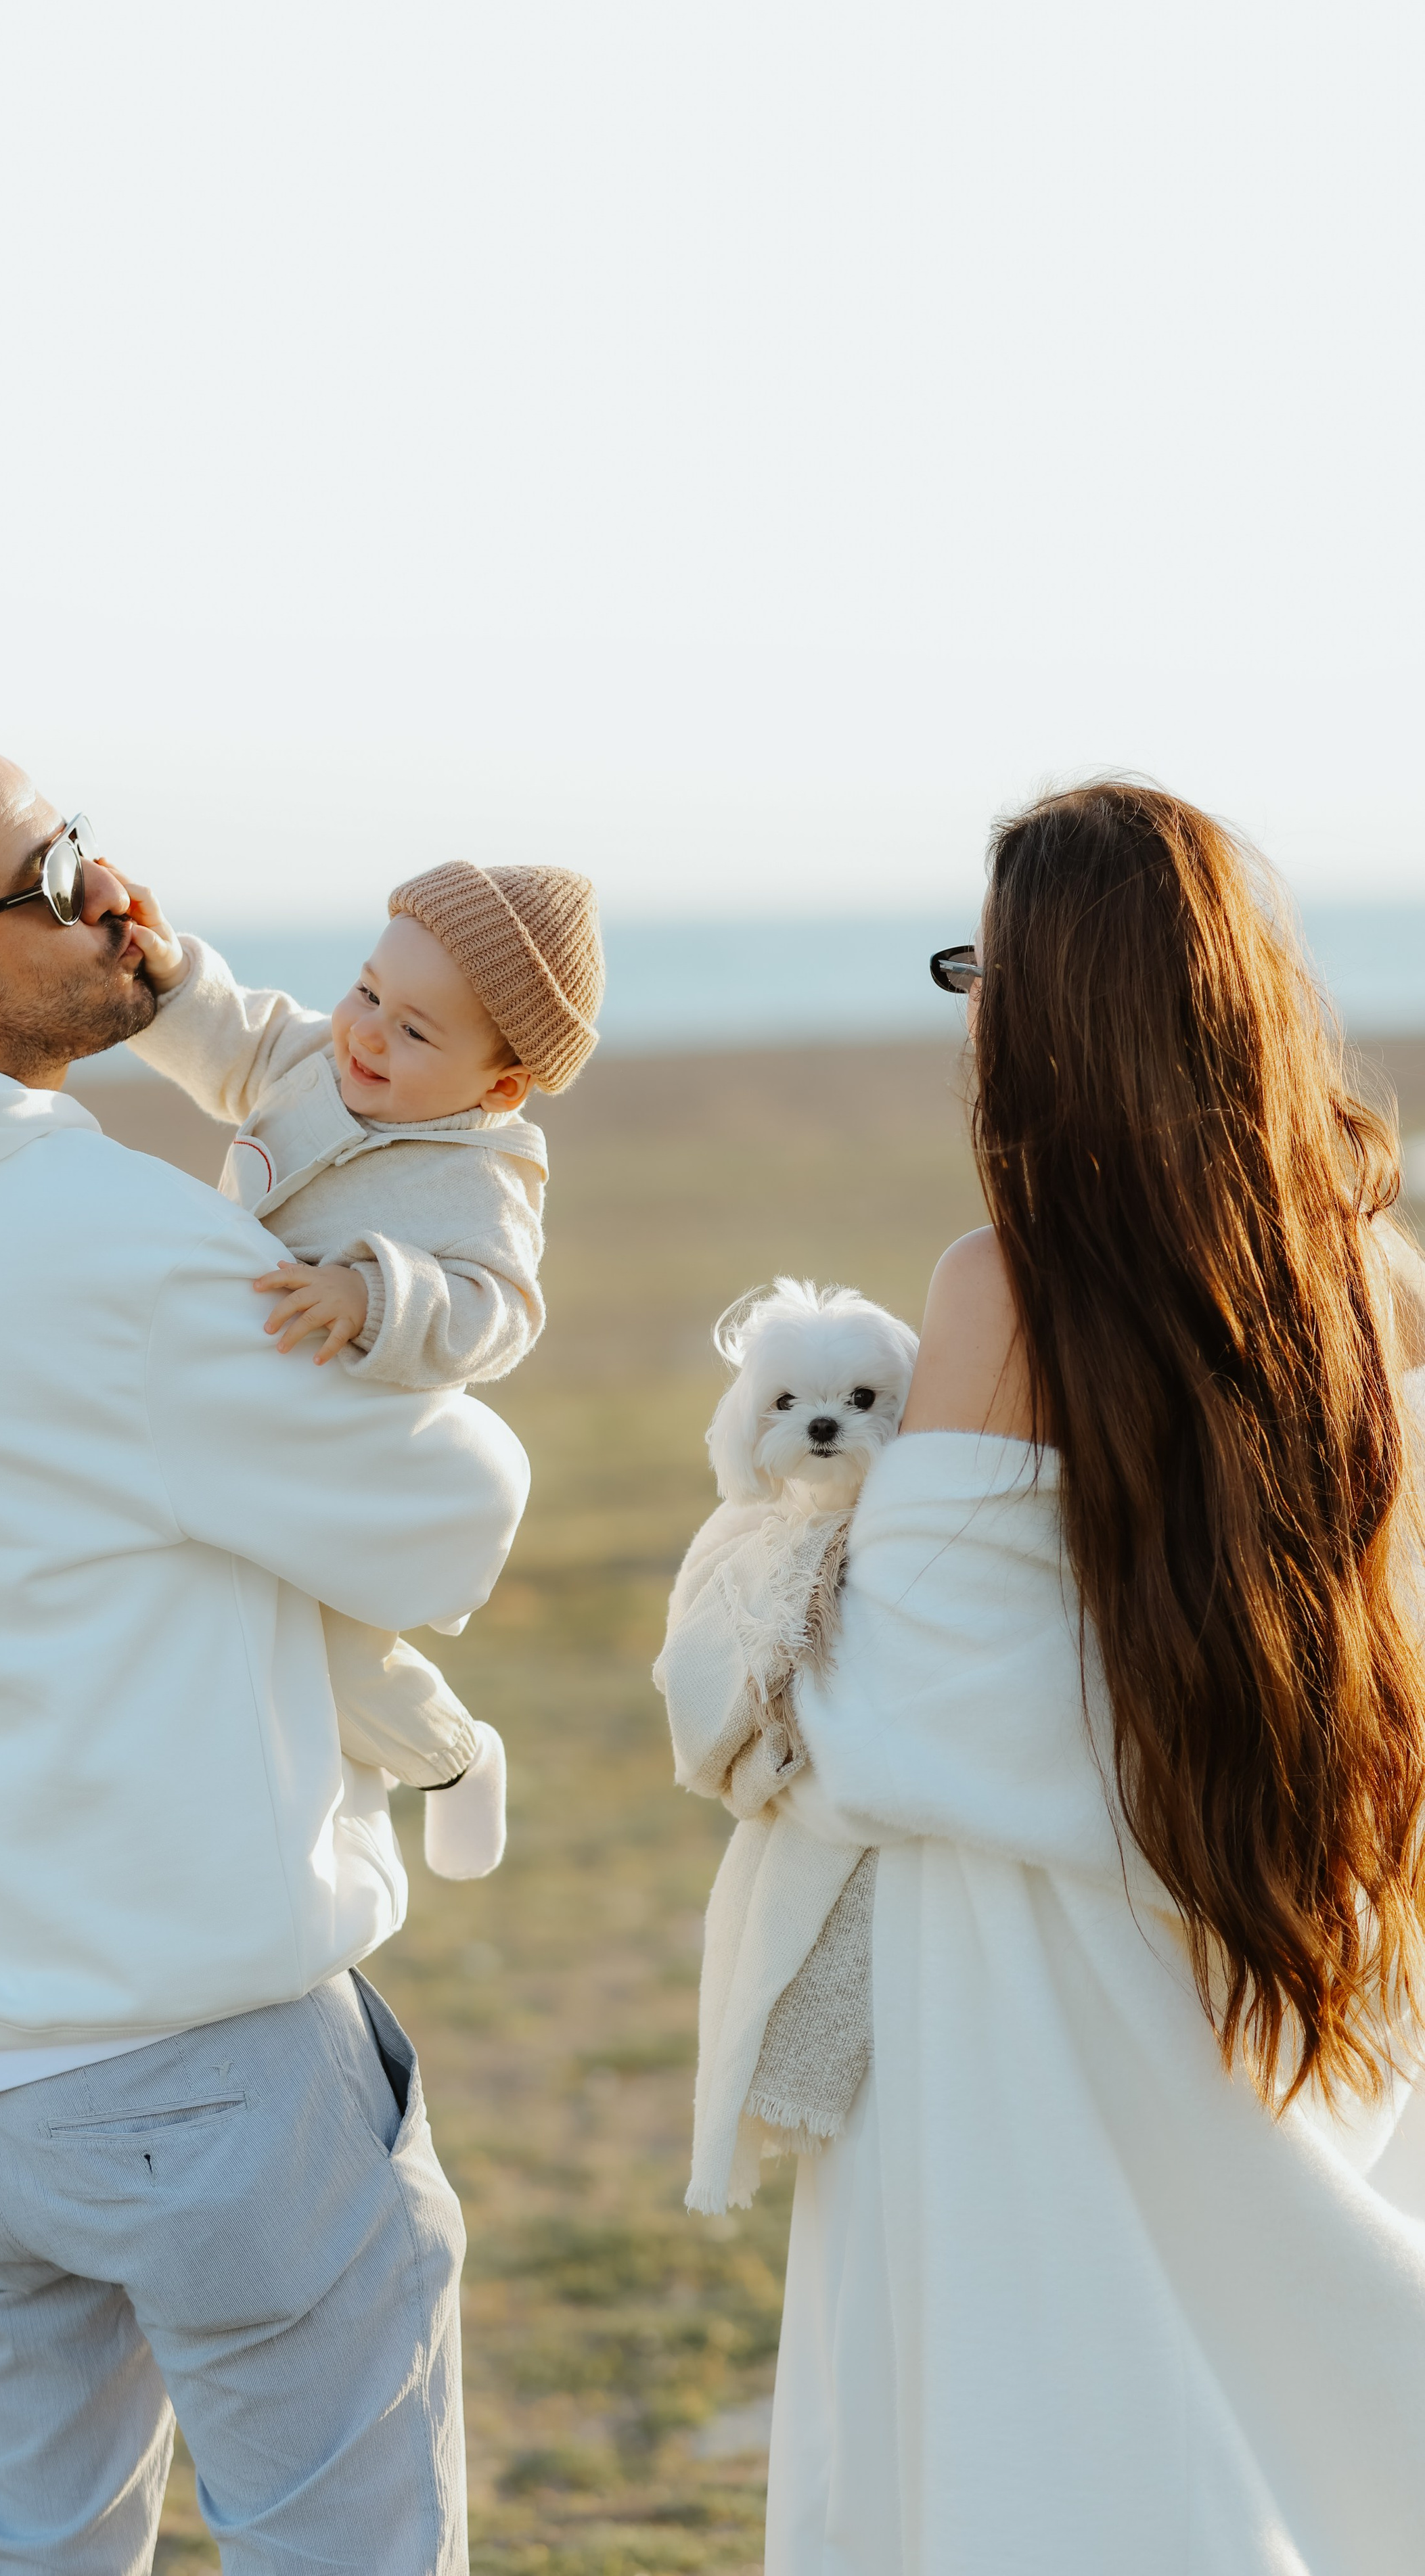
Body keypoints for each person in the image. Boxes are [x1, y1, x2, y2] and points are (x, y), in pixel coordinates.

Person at [0, 740, 528, 2576]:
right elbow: (452, 1519)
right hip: (201, 2060)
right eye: (53, 867)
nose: (106, 888)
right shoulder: (105, 1244)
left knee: (42, 2551)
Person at [763, 783, 1425, 2574]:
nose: (968, 1007)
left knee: (1050, 2422)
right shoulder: (1361, 1270)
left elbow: (896, 1695)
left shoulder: (1003, 1283)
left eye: (984, 967)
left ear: (1057, 1005)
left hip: (1036, 1964)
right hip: (1269, 1881)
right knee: (1255, 2390)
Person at [116, 856, 604, 1874]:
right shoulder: (313, 1063)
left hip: (346, 1445)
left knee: (335, 1656)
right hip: (239, 1406)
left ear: (501, 1085)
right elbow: (232, 1032)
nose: (367, 1031)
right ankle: (235, 1827)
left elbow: (502, 1308)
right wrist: (164, 973)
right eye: (369, 990)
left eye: (416, 1029)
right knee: (208, 1618)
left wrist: (378, 1295)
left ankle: (453, 1759)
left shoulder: (482, 1177)